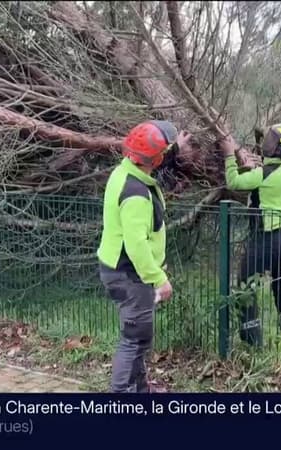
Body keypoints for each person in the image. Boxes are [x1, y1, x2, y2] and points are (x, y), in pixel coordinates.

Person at [96, 120, 192, 393]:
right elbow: (136, 245)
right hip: (129, 274)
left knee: (139, 337)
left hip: (121, 270)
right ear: (156, 158)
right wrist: (159, 278)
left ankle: (140, 391)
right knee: (134, 339)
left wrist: (176, 149)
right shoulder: (136, 194)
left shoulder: (125, 171)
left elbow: (153, 159)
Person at [219, 124, 281, 347]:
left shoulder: (265, 173)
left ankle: (251, 341)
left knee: (246, 285)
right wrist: (250, 168)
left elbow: (234, 182)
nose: (268, 145)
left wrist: (229, 155)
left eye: (272, 142)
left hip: (265, 237)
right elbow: (266, 182)